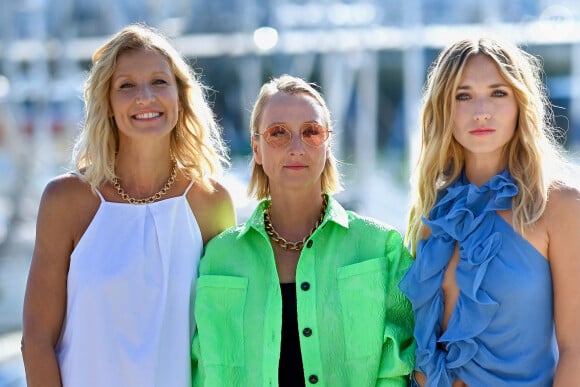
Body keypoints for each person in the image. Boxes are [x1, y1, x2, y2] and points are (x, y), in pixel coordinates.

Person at [21, 23, 236, 387]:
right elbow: (38, 341)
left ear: (180, 96)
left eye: (159, 82)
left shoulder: (211, 201)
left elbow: (226, 338)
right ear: (107, 103)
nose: (145, 97)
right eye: (126, 86)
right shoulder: (66, 201)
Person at [191, 74, 415, 386]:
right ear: (256, 148)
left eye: (311, 132)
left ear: (327, 145)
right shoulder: (219, 258)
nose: (296, 147)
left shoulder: (381, 249)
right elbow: (202, 370)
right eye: (278, 133)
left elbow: (398, 368)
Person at [399, 37, 580, 386]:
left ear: (520, 103)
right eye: (463, 96)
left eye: (498, 93)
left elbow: (576, 347)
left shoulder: (560, 206)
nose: (481, 110)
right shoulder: (431, 211)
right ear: (443, 109)